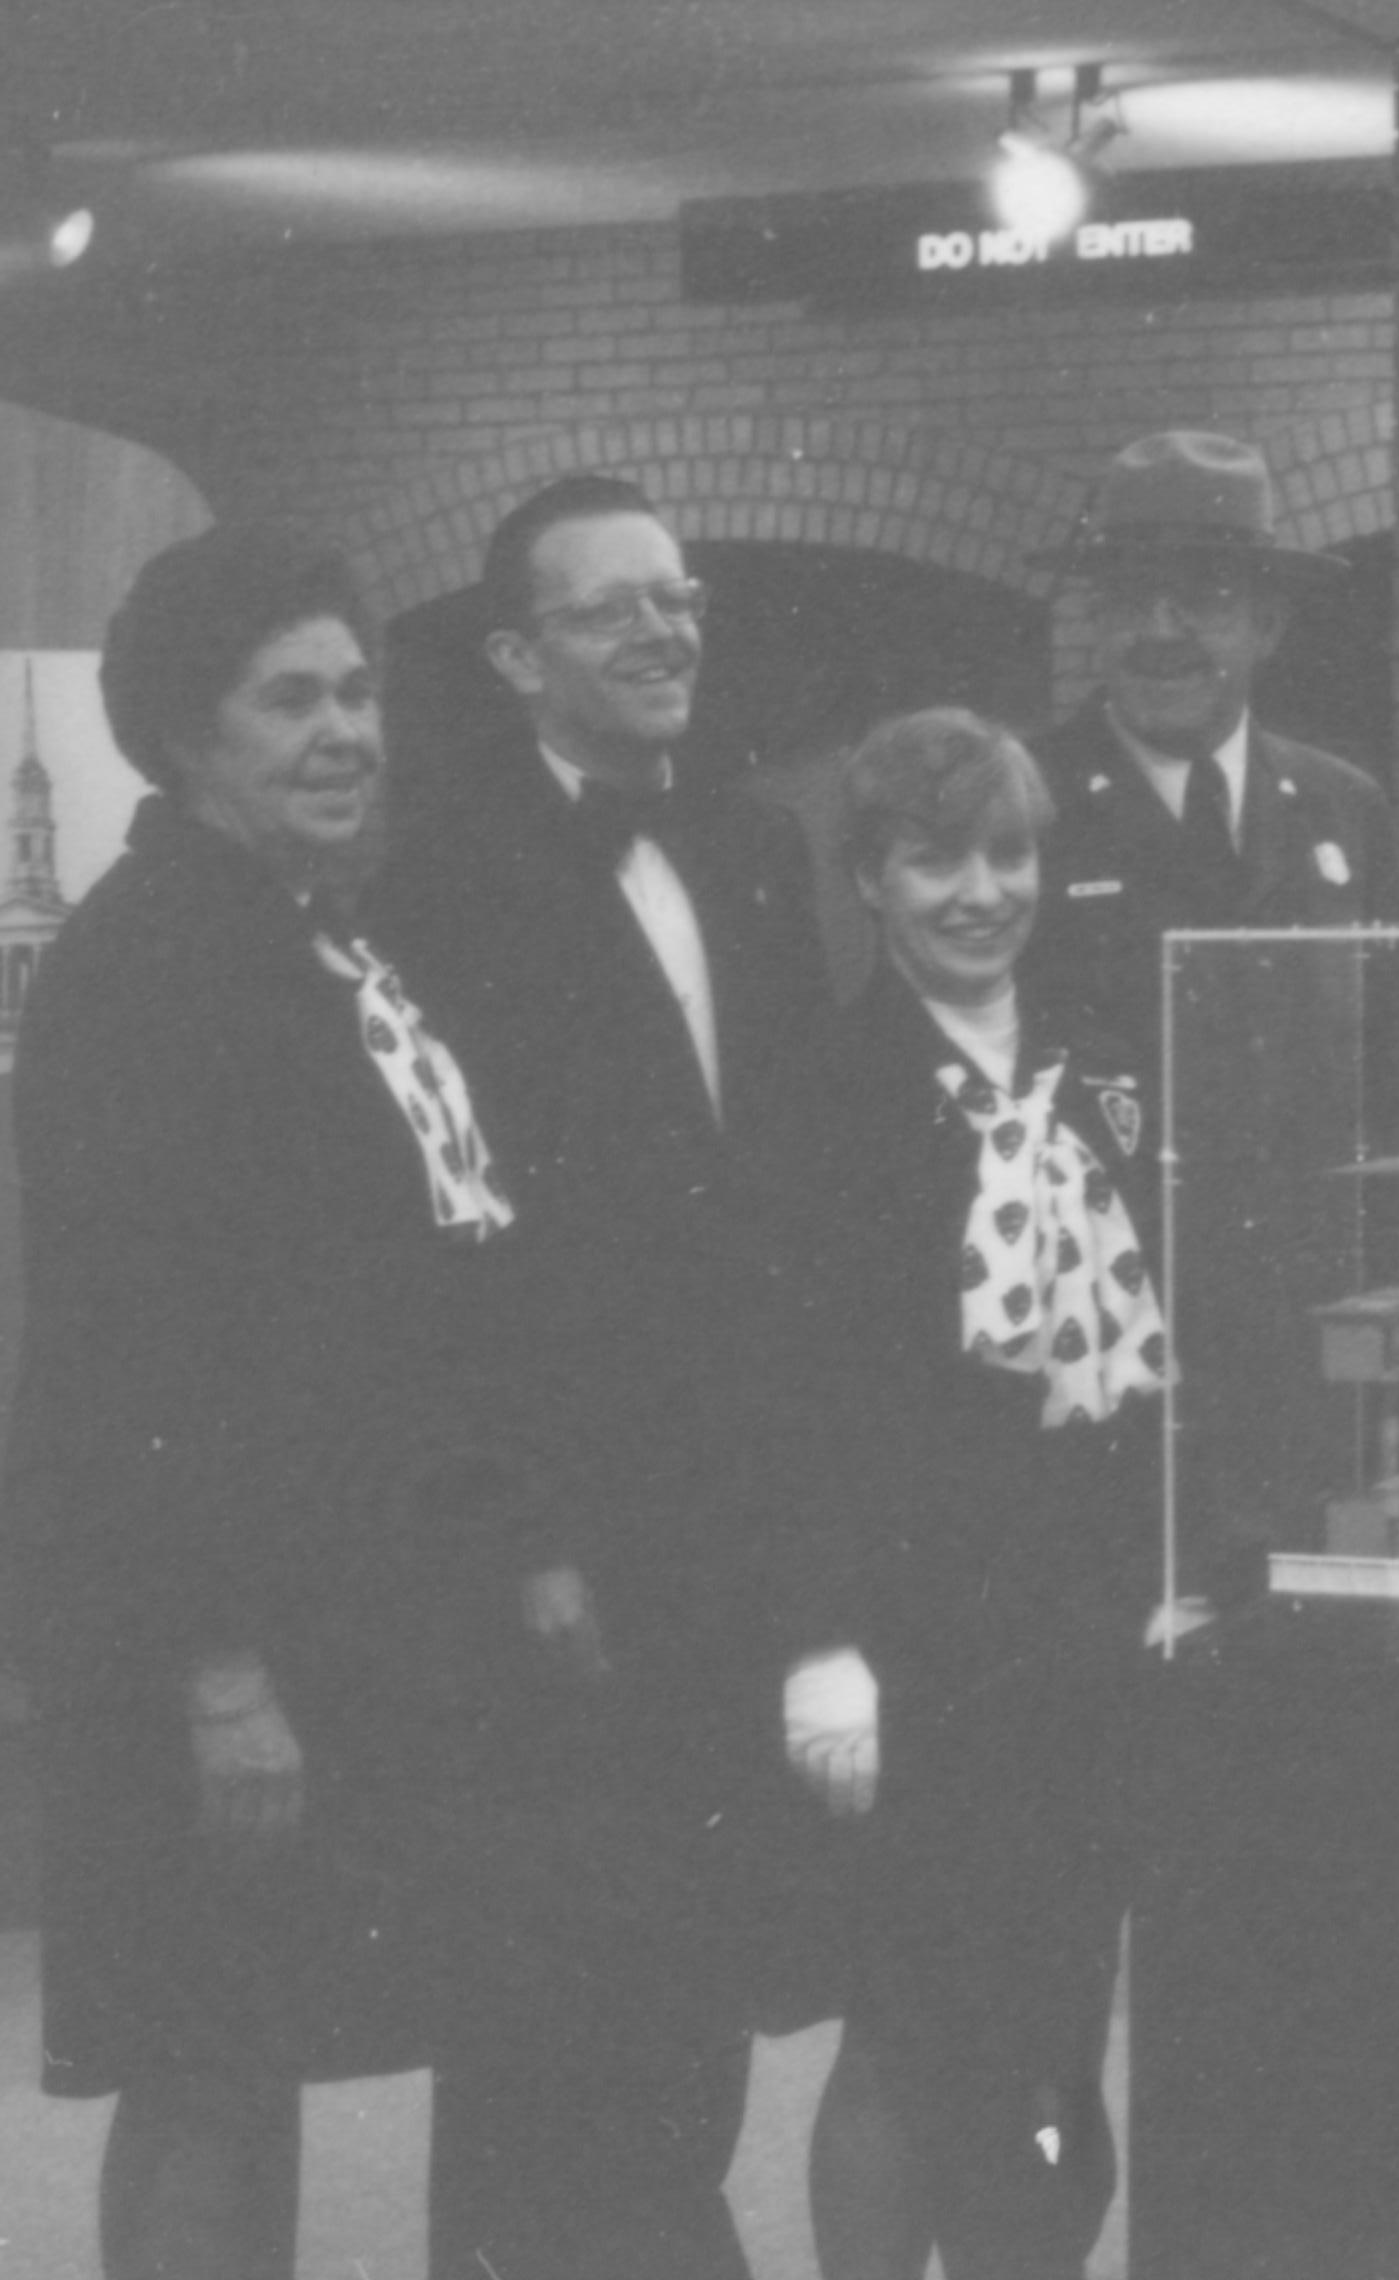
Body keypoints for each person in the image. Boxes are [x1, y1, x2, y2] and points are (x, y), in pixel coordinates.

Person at [2, 527, 541, 2276]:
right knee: (208, 2075)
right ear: (182, 731)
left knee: (256, 2052)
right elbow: (113, 1364)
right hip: (203, 1652)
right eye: (290, 697)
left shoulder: (310, 941)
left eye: (362, 691)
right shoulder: (151, 967)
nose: (346, 731)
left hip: (324, 1621)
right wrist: (220, 1673)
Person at [367, 471, 839, 2279]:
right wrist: (525, 1535)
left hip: (722, 1508)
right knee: (540, 1993)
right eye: (610, 607)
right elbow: (441, 1264)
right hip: (550, 1529)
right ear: (512, 656)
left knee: (694, 1964)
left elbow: (777, 1188)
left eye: (680, 595)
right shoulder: (445, 871)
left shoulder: (746, 838)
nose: (665, 630)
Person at [778, 709, 1169, 2279]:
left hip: (1087, 1615)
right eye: (935, 861)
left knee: (1060, 2015)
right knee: (909, 2020)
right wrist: (821, 1641)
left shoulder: (1101, 1060)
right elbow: (793, 1391)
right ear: (868, 879)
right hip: (914, 1637)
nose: (979, 891)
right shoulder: (829, 1087)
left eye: (1007, 854)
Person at [1023, 428, 1399, 1554]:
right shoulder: (1025, 809)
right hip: (1113, 1360)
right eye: (1130, 599)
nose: (1159, 632)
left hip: (1313, 1366)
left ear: (1267, 624)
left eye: (1201, 599)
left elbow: (1397, 1102)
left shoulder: (1345, 811)